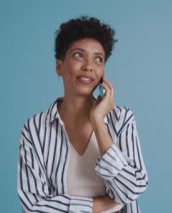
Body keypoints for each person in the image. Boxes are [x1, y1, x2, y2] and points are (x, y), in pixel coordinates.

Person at [17, 16, 148, 213]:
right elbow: (33, 207)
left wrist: (98, 123)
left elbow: (131, 190)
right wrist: (98, 206)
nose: (89, 66)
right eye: (79, 55)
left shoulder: (121, 120)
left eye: (98, 59)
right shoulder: (35, 129)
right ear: (59, 67)